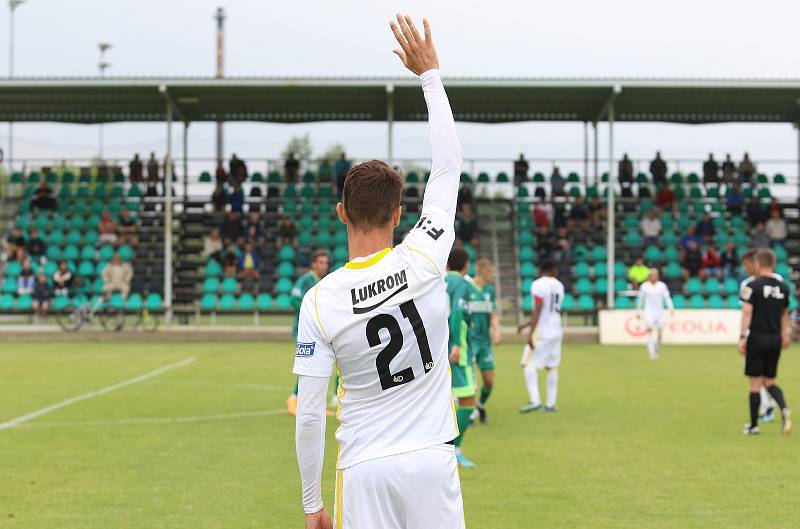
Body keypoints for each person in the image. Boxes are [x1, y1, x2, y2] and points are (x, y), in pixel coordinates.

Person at [294, 17, 465, 528]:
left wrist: (311, 502)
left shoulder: (319, 301)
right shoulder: (427, 255)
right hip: (434, 459)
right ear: (398, 215)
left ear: (341, 213)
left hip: (365, 469)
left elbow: (308, 413)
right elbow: (448, 166)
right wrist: (429, 76)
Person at [739, 249, 792, 436]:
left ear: (758, 264)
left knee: (755, 384)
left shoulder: (752, 286)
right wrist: (785, 335)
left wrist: (743, 337)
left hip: (757, 338)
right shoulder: (784, 288)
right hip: (775, 339)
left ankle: (753, 426)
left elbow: (747, 312)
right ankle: (784, 408)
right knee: (770, 381)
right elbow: (784, 314)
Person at [287, 250, 333, 416]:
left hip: (317, 331)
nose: (324, 266)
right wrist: (309, 312)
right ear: (313, 264)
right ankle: (294, 399)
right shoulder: (307, 279)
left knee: (314, 365)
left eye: (326, 263)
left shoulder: (323, 281)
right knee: (308, 365)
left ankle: (305, 403)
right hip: (303, 330)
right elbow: (293, 298)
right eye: (320, 262)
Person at [518, 259, 564, 413]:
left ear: (542, 270)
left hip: (543, 331)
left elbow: (538, 308)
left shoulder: (538, 284)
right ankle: (551, 404)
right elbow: (548, 311)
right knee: (552, 366)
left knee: (527, 363)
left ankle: (535, 400)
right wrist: (527, 324)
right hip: (556, 329)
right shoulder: (559, 285)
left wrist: (530, 333)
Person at [446, 247, 477, 467]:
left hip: (434, 347)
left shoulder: (436, 280)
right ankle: (453, 449)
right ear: (466, 265)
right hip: (457, 348)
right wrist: (456, 343)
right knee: (468, 400)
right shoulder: (463, 285)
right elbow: (457, 313)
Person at [466, 259, 500, 424]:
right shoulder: (467, 288)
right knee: (470, 380)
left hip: (485, 343)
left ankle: (479, 405)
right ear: (483, 272)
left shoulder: (489, 290)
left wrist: (496, 330)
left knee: (489, 381)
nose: (492, 276)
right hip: (470, 342)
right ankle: (470, 412)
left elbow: (493, 312)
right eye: (491, 272)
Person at [636, 269, 674, 359]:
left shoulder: (662, 286)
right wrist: (638, 311)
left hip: (659, 312)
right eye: (652, 274)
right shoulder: (644, 286)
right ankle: (651, 351)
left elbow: (667, 297)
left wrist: (671, 308)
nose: (654, 276)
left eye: (655, 274)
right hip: (649, 312)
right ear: (649, 276)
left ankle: (657, 347)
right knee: (649, 330)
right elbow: (640, 299)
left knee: (660, 331)